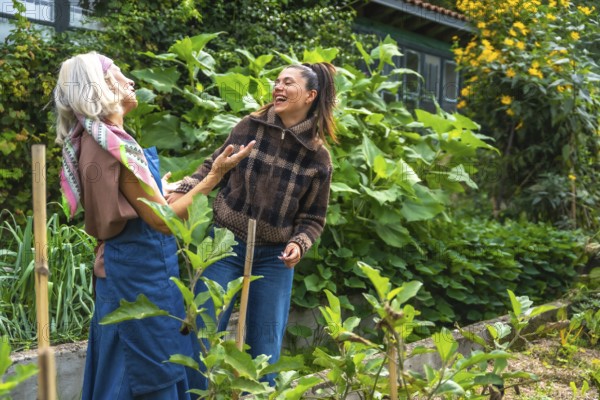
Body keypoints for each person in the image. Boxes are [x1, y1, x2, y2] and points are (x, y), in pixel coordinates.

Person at [54, 52, 254, 399]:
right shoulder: (112, 148)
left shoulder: (95, 140)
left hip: (130, 270)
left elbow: (140, 205)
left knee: (129, 362)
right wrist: (214, 177)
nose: (130, 81)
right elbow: (164, 222)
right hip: (137, 278)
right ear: (101, 87)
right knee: (146, 369)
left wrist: (163, 190)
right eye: (119, 74)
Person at [168, 62, 337, 385]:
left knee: (264, 348)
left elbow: (314, 218)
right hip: (224, 243)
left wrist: (299, 243)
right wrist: (180, 188)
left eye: (288, 83)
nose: (279, 87)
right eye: (277, 81)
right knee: (200, 332)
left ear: (310, 96)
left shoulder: (317, 156)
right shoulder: (250, 127)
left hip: (274, 259)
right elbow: (213, 167)